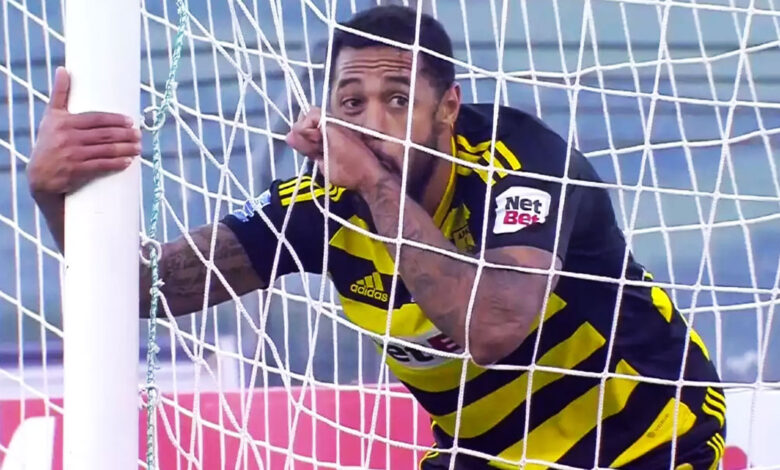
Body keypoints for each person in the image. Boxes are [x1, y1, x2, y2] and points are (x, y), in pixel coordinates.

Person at [28, 5, 726, 469]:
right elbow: (149, 290)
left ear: (447, 107)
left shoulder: (521, 163)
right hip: (490, 454)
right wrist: (57, 194)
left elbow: (494, 325)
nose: (371, 122)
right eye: (351, 102)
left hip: (649, 435)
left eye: (397, 100)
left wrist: (374, 184)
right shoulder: (319, 205)